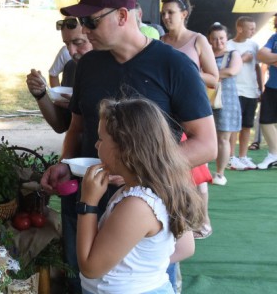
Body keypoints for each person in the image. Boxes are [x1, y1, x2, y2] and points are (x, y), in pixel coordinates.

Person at [40, 0, 216, 293]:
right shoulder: (88, 65)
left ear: (122, 16)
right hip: (90, 196)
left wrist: (139, 167)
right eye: (81, 22)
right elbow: (77, 128)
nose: (84, 29)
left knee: (141, 280)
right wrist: (65, 164)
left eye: (91, 21)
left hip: (146, 206)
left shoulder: (175, 65)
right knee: (88, 280)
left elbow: (207, 144)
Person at [77, 98, 205, 294]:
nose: (95, 145)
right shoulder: (160, 187)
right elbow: (186, 247)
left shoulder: (138, 205)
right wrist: (143, 269)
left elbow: (90, 268)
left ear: (125, 148)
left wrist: (88, 203)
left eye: (101, 139)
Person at [160, 0, 218, 238]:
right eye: (163, 13)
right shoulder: (160, 42)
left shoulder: (198, 40)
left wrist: (188, 71)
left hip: (192, 113)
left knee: (197, 171)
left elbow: (214, 78)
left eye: (170, 12)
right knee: (171, 169)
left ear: (183, 14)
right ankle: (175, 220)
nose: (165, 17)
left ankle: (203, 221)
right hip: (165, 114)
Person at [26, 17, 93, 133]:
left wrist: (82, 106)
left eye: (78, 43)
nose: (71, 51)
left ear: (95, 37)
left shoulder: (114, 70)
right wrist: (41, 95)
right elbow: (61, 125)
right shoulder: (71, 68)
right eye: (67, 44)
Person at [207, 23, 242, 185]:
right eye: (214, 39)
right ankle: (203, 171)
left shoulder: (233, 54)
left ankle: (219, 174)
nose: (218, 42)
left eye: (221, 38)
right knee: (205, 136)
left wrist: (207, 75)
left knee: (223, 138)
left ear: (226, 38)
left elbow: (232, 71)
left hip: (226, 101)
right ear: (209, 39)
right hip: (205, 99)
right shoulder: (205, 54)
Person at [226, 16, 262, 169]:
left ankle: (243, 156)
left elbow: (257, 67)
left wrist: (261, 87)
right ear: (240, 28)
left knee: (247, 125)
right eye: (251, 28)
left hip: (251, 90)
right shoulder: (228, 45)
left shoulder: (254, 45)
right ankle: (231, 156)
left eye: (254, 28)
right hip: (235, 90)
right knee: (234, 126)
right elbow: (229, 67)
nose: (253, 31)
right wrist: (243, 58)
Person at [255, 14, 277, 169]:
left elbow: (267, 57)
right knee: (265, 121)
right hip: (272, 87)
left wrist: (271, 58)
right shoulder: (274, 37)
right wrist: (269, 58)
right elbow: (261, 55)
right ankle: (274, 154)